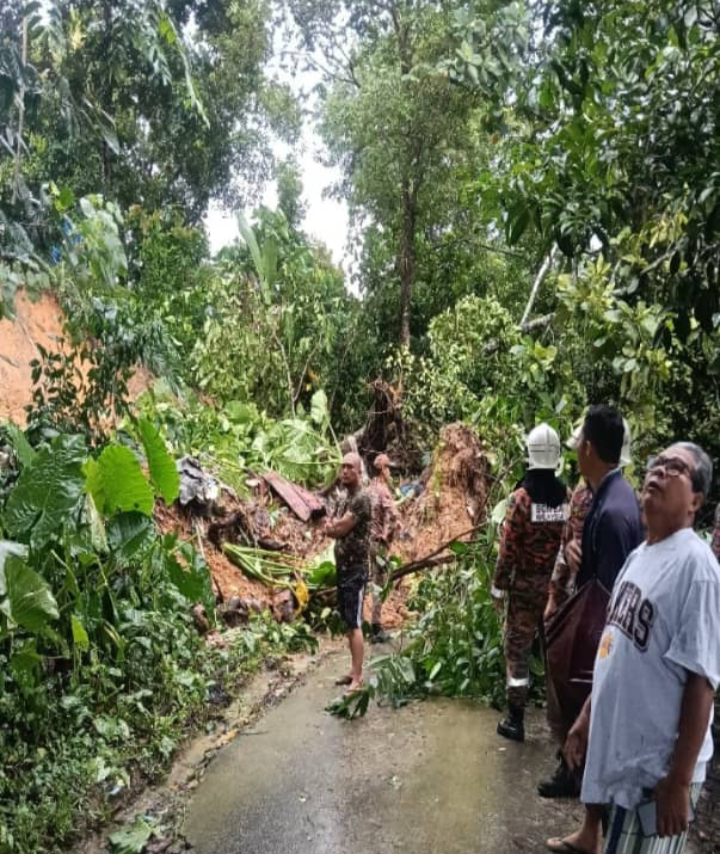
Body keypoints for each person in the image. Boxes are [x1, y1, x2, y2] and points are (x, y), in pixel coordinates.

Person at [547, 442, 720, 854]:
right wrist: (587, 716)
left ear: (695, 499)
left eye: (674, 468)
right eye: (656, 464)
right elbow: (615, 647)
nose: (658, 472)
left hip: (658, 771)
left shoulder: (697, 570)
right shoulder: (641, 555)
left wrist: (677, 782)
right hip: (629, 763)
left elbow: (702, 683)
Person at [539, 408, 643, 799]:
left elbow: (612, 593)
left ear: (589, 447)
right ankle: (573, 772)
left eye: (579, 444)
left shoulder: (615, 510)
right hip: (591, 619)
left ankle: (576, 774)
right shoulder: (601, 495)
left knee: (584, 703)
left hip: (600, 629)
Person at [492, 423, 570, 742]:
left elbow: (508, 549)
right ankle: (563, 721)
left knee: (518, 653)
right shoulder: (566, 496)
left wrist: (498, 586)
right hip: (556, 591)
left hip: (524, 591)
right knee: (555, 653)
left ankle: (516, 719)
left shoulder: (521, 499)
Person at [325, 452, 372, 693]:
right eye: (342, 467)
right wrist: (333, 528)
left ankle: (358, 676)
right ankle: (353, 671)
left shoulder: (361, 499)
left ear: (358, 471)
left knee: (354, 622)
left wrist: (333, 529)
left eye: (349, 468)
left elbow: (339, 528)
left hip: (356, 569)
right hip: (343, 568)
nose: (344, 471)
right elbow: (331, 523)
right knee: (348, 620)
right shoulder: (345, 498)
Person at [367, 452, 400, 643]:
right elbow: (393, 517)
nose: (390, 473)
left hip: (369, 542)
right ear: (382, 469)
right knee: (379, 584)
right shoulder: (383, 491)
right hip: (379, 544)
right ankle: (376, 627)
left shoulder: (369, 489)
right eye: (388, 468)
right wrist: (387, 537)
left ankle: (374, 625)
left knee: (374, 581)